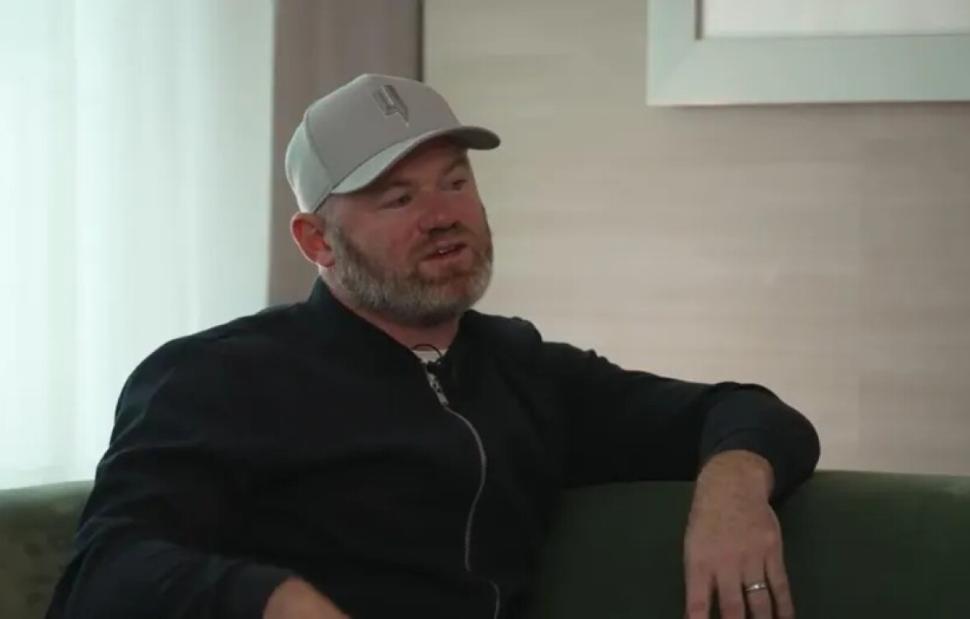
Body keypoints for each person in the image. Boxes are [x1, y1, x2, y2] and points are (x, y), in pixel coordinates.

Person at [46, 74, 819, 619]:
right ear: (317, 240)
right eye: (398, 197)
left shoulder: (522, 369)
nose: (443, 215)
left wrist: (731, 491)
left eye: (454, 182)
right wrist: (275, 600)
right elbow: (104, 576)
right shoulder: (217, 377)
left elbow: (746, 412)